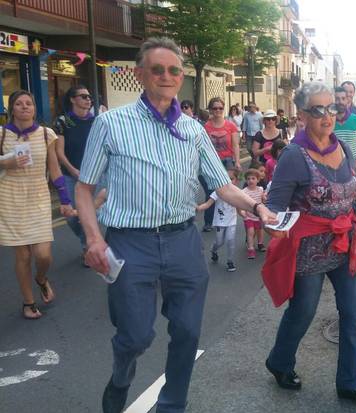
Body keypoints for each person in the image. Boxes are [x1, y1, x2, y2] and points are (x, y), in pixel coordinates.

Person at [75, 37, 276, 413]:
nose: (166, 76)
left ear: (180, 77)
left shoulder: (193, 130)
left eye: (173, 70)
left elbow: (223, 185)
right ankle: (121, 380)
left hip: (183, 240)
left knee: (186, 331)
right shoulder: (110, 123)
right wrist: (92, 239)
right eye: (157, 69)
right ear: (140, 75)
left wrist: (257, 209)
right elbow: (84, 189)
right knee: (134, 336)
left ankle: (172, 406)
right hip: (130, 244)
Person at [261, 81, 356, 407]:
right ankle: (280, 362)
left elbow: (355, 188)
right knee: (303, 312)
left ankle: (349, 383)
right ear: (302, 115)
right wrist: (272, 222)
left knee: (355, 313)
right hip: (310, 250)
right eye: (318, 110)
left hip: (346, 246)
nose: (328, 116)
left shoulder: (340, 148)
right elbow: (275, 204)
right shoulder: (293, 156)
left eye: (332, 108)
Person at [0, 90, 74, 319]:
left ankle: (41, 278)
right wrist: (8, 162)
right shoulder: (2, 134)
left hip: (38, 196)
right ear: (12, 108)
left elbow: (54, 169)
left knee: (43, 255)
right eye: (19, 104)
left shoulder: (46, 134)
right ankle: (28, 302)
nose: (24, 107)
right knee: (22, 256)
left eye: (29, 103)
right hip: (9, 197)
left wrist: (64, 200)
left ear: (34, 108)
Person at [53, 84, 96, 265]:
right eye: (83, 96)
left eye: (89, 97)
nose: (88, 100)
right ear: (72, 99)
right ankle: (88, 240)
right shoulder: (63, 122)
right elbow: (59, 152)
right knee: (72, 216)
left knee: (92, 213)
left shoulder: (97, 121)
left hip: (94, 175)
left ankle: (89, 247)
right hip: (71, 175)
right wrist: (73, 170)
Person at [199, 97, 241, 232]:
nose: (218, 110)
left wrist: (238, 162)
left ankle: (227, 220)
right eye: (215, 108)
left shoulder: (231, 126)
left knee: (227, 192)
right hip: (211, 163)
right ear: (210, 110)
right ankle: (208, 222)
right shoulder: (205, 127)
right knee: (211, 193)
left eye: (220, 108)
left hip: (227, 161)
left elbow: (235, 145)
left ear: (223, 109)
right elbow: (202, 147)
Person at [197, 168, 240, 272]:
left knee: (230, 240)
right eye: (226, 179)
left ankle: (230, 261)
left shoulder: (238, 193)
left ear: (236, 180)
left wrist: (246, 213)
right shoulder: (218, 192)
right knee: (219, 241)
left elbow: (241, 206)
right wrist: (197, 208)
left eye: (231, 179)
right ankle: (213, 250)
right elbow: (207, 204)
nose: (229, 181)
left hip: (232, 221)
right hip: (220, 221)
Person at [334, 86, 356, 166]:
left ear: (347, 100)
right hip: (333, 167)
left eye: (343, 98)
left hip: (352, 166)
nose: (340, 102)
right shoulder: (328, 121)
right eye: (337, 99)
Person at [241, 168, 266, 258]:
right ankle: (251, 249)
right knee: (250, 232)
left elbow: (263, 200)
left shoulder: (260, 189)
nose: (250, 180)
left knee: (260, 230)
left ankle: (260, 243)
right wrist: (243, 212)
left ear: (258, 180)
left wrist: (264, 198)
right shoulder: (244, 192)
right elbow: (242, 203)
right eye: (248, 179)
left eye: (253, 178)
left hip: (259, 215)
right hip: (249, 215)